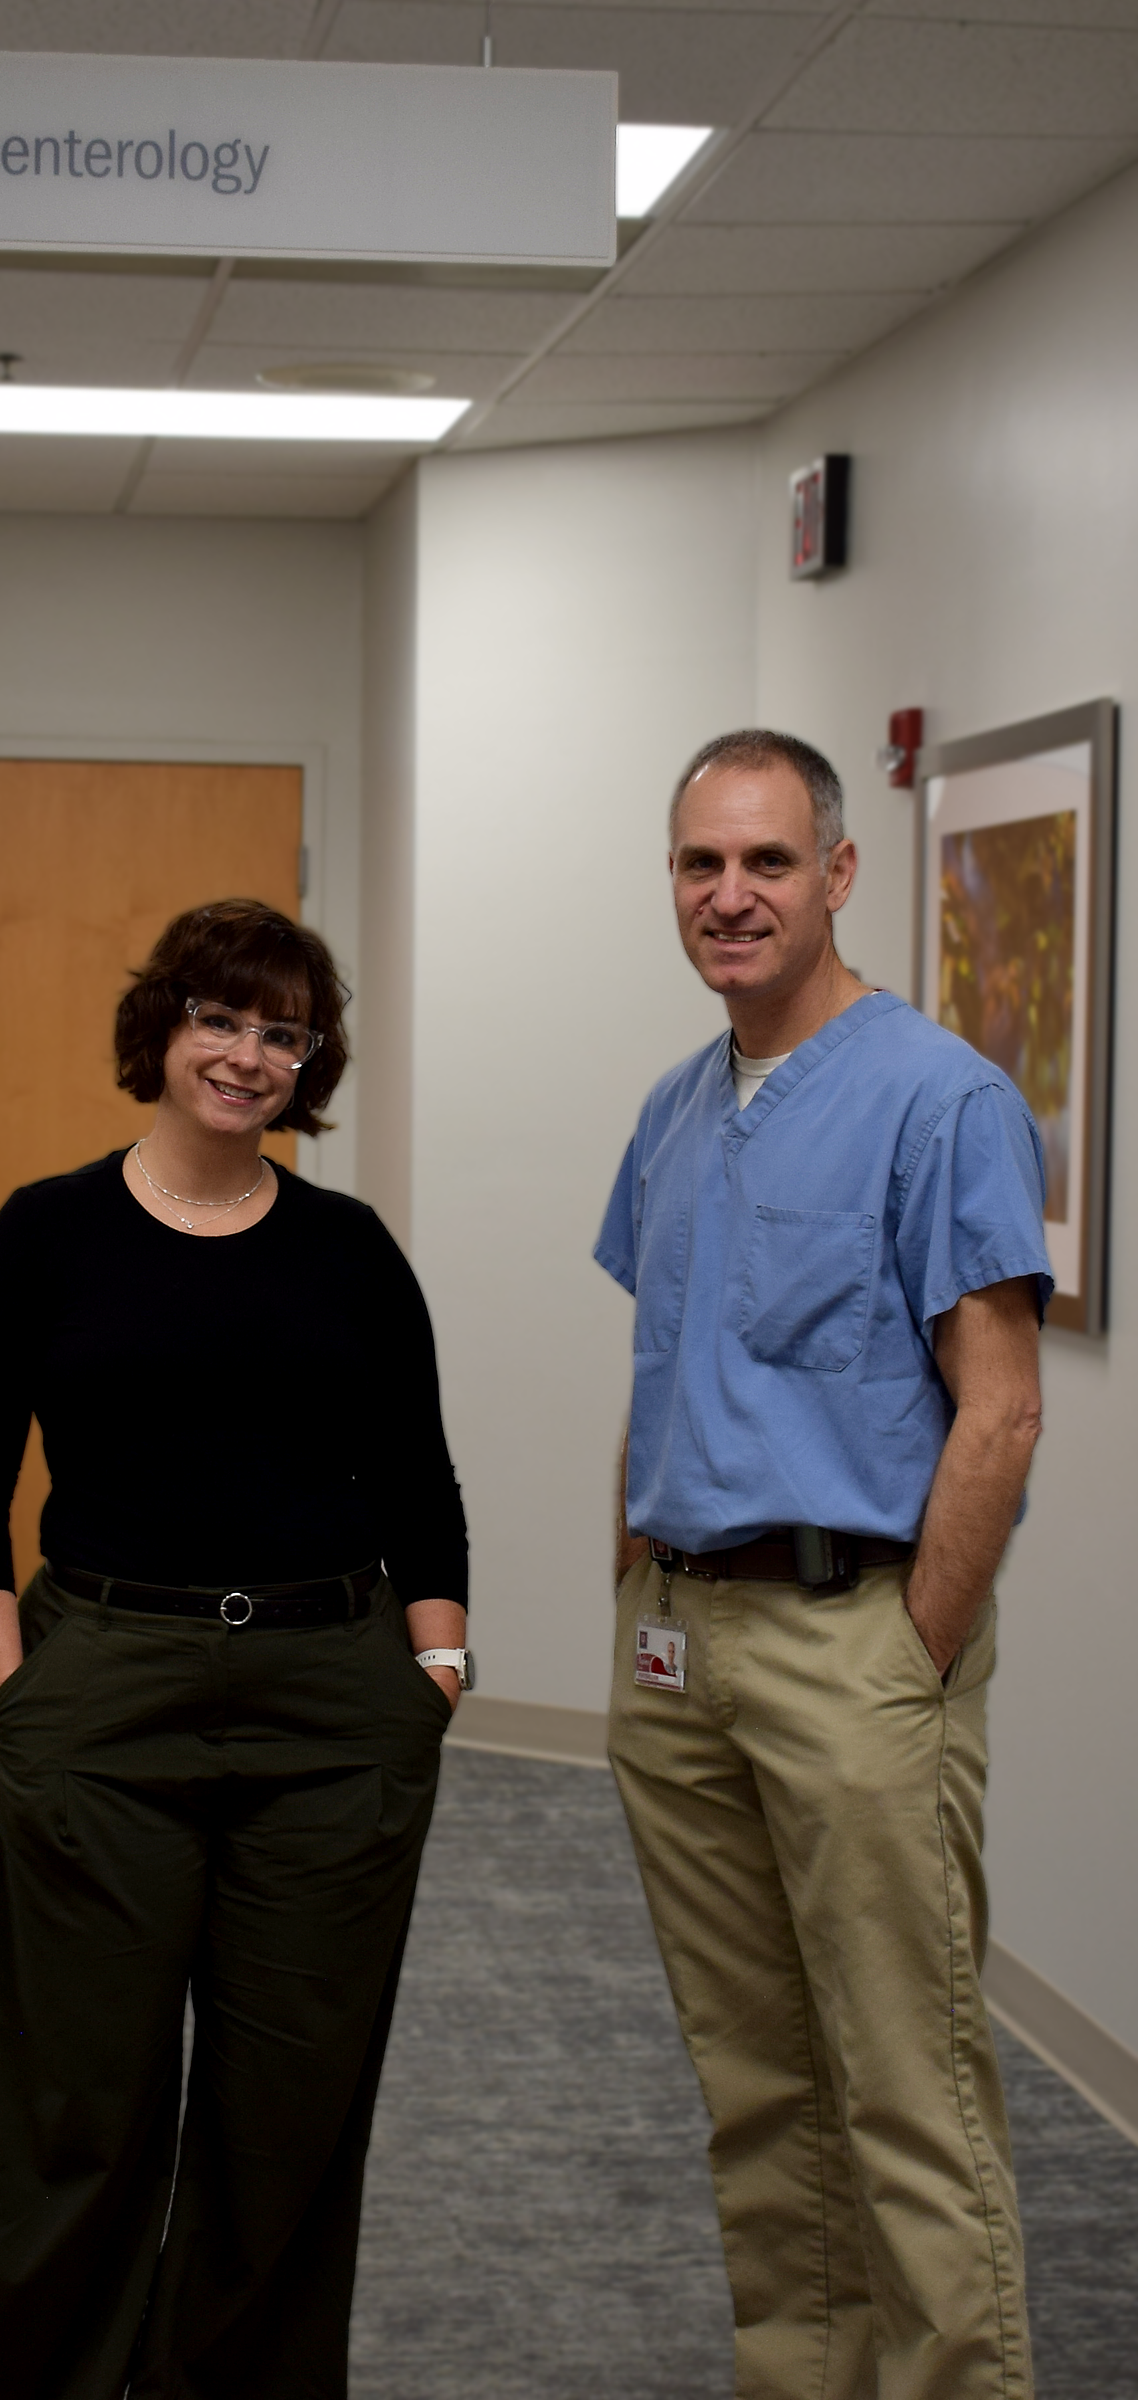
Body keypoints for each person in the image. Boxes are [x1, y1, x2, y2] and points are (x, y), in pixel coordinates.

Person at [0, 897, 470, 2400]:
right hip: (102, 1687)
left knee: (285, 2114)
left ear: (313, 1061)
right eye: (219, 1019)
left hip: (333, 1703)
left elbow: (419, 1486)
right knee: (71, 2109)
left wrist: (433, 1681)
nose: (246, 1055)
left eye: (282, 1031)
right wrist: (11, 1698)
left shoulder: (351, 1251)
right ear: (161, 1031)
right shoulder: (45, 1235)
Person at [596, 731, 1050, 2400]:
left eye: (768, 862)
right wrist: (635, 1592)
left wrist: (908, 1659)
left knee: (907, 2089)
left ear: (840, 874)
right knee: (760, 2086)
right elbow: (661, 1369)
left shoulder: (942, 1100)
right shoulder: (675, 1109)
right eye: (702, 865)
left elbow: (996, 1419)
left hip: (854, 1648)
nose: (732, 896)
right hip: (682, 1653)